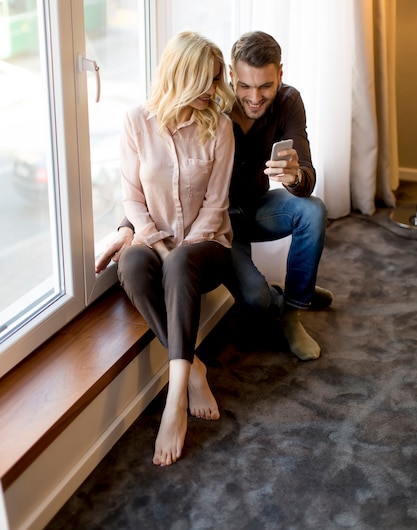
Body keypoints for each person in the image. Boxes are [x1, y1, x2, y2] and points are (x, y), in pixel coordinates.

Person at [97, 31, 332, 362]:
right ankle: (283, 296)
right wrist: (128, 227)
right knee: (257, 302)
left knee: (313, 210)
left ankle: (293, 312)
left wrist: (295, 177)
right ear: (232, 76)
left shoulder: (288, 101)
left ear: (280, 74)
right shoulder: (208, 102)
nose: (254, 97)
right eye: (245, 85)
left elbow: (306, 177)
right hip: (218, 222)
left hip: (257, 207)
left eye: (265, 86)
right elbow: (161, 173)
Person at [116, 31, 235, 467]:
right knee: (129, 262)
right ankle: (195, 368)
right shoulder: (136, 121)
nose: (214, 90)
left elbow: (216, 206)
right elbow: (131, 196)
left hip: (207, 247)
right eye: (205, 80)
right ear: (180, 77)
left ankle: (174, 400)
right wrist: (157, 244)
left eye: (217, 79)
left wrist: (179, 253)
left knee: (183, 260)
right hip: (157, 241)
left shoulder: (219, 127)